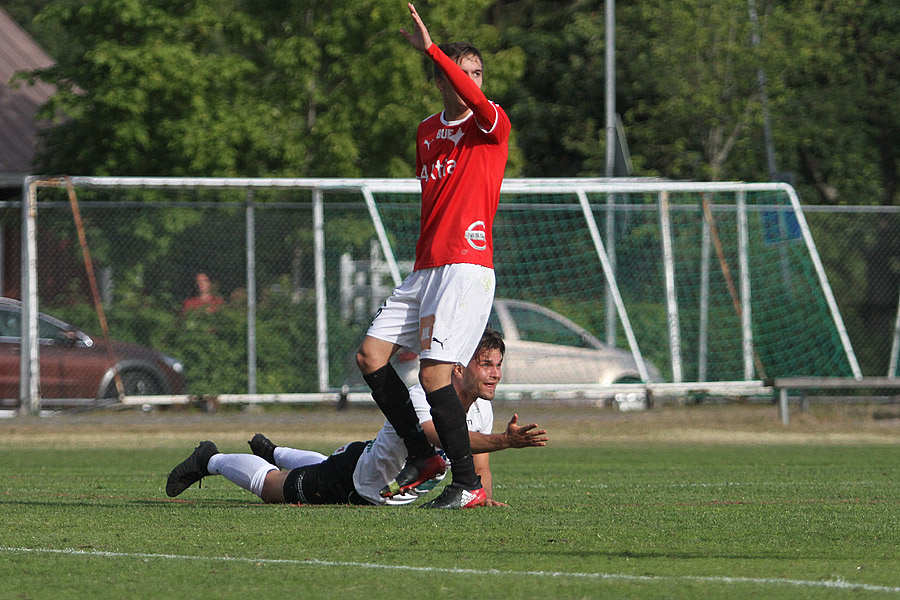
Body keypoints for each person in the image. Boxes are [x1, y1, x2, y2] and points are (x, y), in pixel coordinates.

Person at [354, 3, 512, 509]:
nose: (472, 81)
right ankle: (423, 455)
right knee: (370, 355)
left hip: (466, 267)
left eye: (477, 73)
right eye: (462, 73)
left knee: (433, 375)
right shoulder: (426, 132)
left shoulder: (491, 125)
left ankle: (467, 485)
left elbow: (474, 100)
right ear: (440, 81)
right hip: (426, 268)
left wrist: (434, 51)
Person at [166, 328, 546, 506]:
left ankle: (276, 449)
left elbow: (480, 466)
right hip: (354, 480)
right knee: (273, 489)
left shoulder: (482, 407)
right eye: (486, 365)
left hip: (370, 465)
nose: (495, 373)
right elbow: (440, 437)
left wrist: (482, 499)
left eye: (498, 365)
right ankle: (209, 459)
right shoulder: (423, 395)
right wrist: (505, 441)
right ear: (459, 368)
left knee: (311, 463)